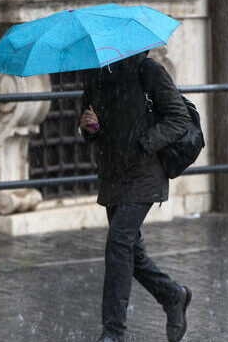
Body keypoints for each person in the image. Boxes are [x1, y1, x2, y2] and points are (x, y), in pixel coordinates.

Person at [79, 51, 192, 342]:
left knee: (118, 242)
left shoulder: (148, 70)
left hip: (144, 171)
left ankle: (113, 333)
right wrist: (90, 127)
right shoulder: (95, 75)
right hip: (113, 173)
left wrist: (144, 143)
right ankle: (173, 296)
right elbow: (93, 126)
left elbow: (178, 118)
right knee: (131, 251)